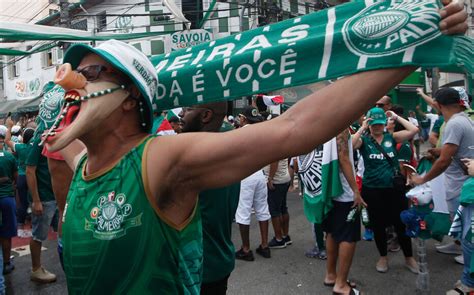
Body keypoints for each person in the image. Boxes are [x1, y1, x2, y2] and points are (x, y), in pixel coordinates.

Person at [39, 4, 467, 292]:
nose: (73, 79)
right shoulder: (83, 167)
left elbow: (294, 127)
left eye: (91, 72)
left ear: (131, 97)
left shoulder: (159, 160)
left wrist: (416, 46)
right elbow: (65, 141)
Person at [179, 102, 240, 294]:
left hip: (199, 268)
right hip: (219, 260)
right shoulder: (229, 144)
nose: (181, 113)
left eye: (188, 108)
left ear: (206, 116)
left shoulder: (197, 159)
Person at [410, 88, 474, 266]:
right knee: (464, 231)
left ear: (438, 105)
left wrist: (423, 179)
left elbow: (444, 161)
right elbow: (454, 152)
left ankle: (468, 281)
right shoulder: (464, 120)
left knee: (467, 236)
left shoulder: (454, 123)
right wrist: (439, 150)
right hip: (462, 185)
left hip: (460, 188)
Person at [352, 107, 418, 273]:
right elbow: (351, 144)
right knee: (378, 225)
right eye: (374, 124)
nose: (377, 127)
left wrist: (396, 117)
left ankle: (409, 257)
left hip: (394, 189)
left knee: (400, 224)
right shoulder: (365, 141)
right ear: (369, 124)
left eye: (380, 124)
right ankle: (383, 257)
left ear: (384, 123)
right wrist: (363, 127)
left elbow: (413, 130)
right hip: (372, 189)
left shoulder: (392, 137)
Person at [323, 128, 367, 295]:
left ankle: (331, 275)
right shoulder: (340, 126)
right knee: (349, 236)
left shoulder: (324, 125)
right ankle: (341, 285)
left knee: (332, 232)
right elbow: (343, 158)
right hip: (344, 192)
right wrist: (356, 190)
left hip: (329, 190)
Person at [234, 106, 271, 260]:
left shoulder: (239, 133)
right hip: (259, 174)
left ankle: (246, 248)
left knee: (243, 212)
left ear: (244, 118)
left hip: (246, 175)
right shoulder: (262, 133)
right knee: (262, 209)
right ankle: (264, 245)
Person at [25, 136, 57, 283]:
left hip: (54, 195)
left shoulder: (49, 135)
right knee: (38, 235)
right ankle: (36, 269)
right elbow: (30, 171)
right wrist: (36, 200)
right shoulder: (38, 140)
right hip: (45, 198)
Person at [263, 116, 292, 248]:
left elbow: (273, 161)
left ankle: (279, 238)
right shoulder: (284, 138)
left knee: (275, 210)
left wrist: (270, 178)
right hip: (284, 177)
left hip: (277, 180)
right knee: (283, 208)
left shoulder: (275, 140)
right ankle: (285, 235)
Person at [4, 120, 34, 239]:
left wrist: (9, 127)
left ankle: (21, 227)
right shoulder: (36, 148)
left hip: (21, 177)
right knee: (34, 201)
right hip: (33, 178)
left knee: (22, 202)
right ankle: (34, 226)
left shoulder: (20, 147)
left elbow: (7, 141)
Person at [0, 136, 17, 275]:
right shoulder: (9, 157)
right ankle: (6, 263)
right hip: (7, 198)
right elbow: (15, 178)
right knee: (6, 234)